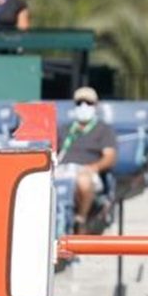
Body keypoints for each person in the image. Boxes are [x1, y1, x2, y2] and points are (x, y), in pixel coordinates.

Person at [56, 87, 116, 234]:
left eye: (88, 103)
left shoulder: (104, 129)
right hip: (63, 168)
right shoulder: (65, 129)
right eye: (79, 102)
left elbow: (110, 157)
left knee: (83, 181)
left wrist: (93, 168)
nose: (84, 106)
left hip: (88, 170)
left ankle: (80, 221)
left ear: (95, 106)